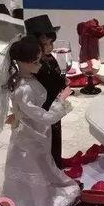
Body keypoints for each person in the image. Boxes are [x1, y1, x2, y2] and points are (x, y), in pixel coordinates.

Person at [0, 36, 80, 206]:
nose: (40, 65)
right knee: (32, 164)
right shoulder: (23, 88)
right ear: (21, 62)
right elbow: (44, 117)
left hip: (33, 131)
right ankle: (38, 204)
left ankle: (30, 196)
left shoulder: (26, 80)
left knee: (38, 162)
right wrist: (61, 100)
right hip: (31, 133)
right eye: (36, 62)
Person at [25, 15, 66, 169]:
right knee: (46, 137)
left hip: (54, 104)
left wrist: (62, 81)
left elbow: (56, 75)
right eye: (44, 44)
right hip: (44, 107)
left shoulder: (50, 59)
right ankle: (48, 167)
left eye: (51, 43)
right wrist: (61, 85)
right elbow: (47, 83)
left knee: (56, 136)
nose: (49, 47)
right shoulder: (35, 65)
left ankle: (56, 164)